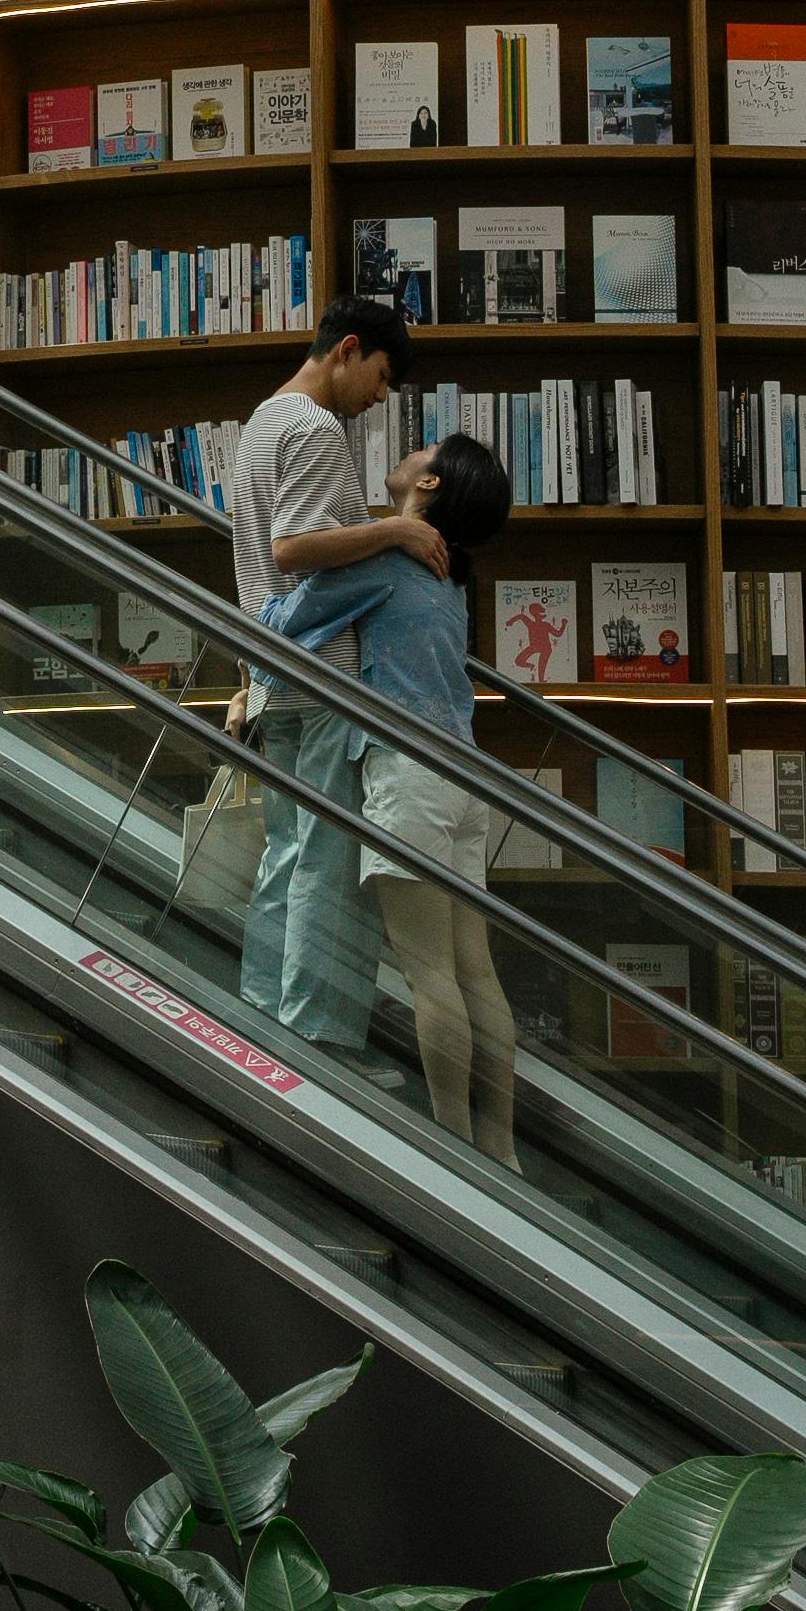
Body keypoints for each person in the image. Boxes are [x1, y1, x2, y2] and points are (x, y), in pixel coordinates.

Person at [260, 430, 519, 1163]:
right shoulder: (445, 577)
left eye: (424, 450)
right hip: (467, 779)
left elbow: (282, 623)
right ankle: (500, 1150)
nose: (409, 452)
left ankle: (453, 1152)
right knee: (474, 971)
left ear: (430, 486)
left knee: (427, 974)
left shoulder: (384, 560)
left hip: (410, 775)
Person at [227, 297, 438, 1048]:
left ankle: (262, 1020)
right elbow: (293, 548)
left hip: (276, 673)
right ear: (349, 350)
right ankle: (317, 1046)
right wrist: (397, 529)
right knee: (326, 861)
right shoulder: (314, 428)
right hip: (322, 677)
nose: (381, 396)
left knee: (287, 854)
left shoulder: (261, 423)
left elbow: (260, 561)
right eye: (382, 376)